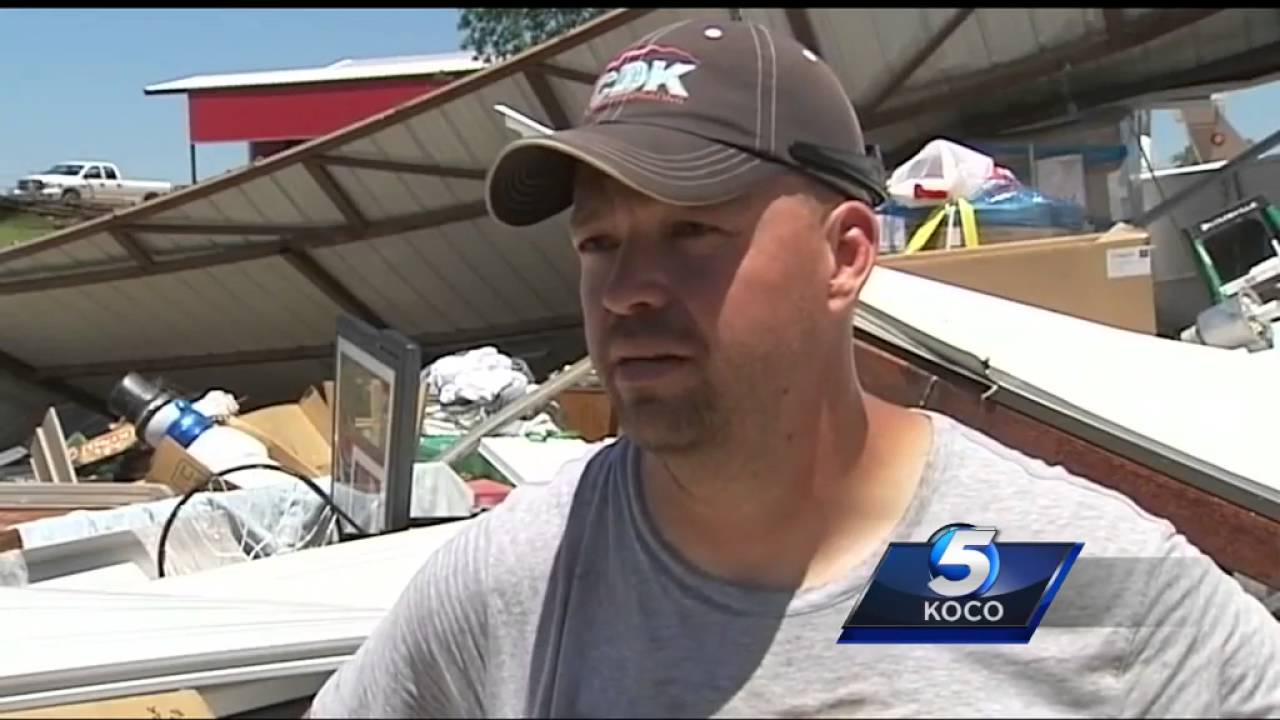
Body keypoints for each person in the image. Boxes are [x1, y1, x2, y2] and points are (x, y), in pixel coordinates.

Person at [310, 19, 1280, 718]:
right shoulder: (521, 582)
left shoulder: (1046, 573)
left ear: (846, 254)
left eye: (691, 231)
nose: (627, 290)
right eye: (598, 244)